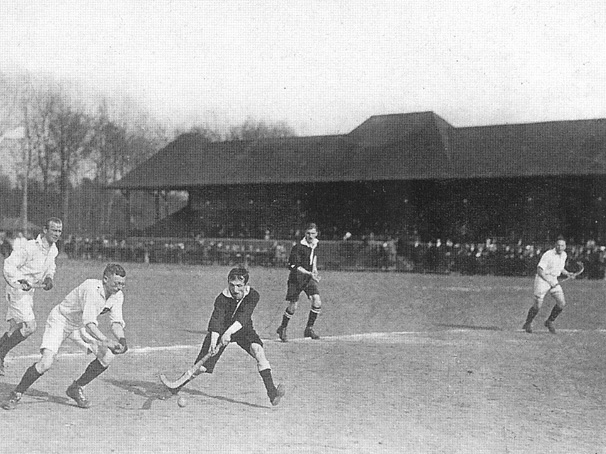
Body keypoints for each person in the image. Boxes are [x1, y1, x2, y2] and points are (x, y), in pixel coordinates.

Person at [1, 263, 128, 410]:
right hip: (61, 321)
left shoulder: (117, 296)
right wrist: (106, 341)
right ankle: (16, 394)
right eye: (116, 284)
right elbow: (90, 324)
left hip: (79, 326)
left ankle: (76, 388)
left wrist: (122, 340)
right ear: (105, 279)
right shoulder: (92, 289)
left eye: (122, 285)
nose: (119, 287)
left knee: (107, 356)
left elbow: (116, 322)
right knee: (45, 363)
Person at [172, 267, 285, 406]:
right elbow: (216, 321)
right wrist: (214, 342)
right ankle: (177, 386)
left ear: (246, 285)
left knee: (258, 351)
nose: (235, 289)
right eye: (232, 285)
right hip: (220, 332)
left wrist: (229, 333)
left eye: (239, 286)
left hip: (243, 329)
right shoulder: (222, 299)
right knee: (202, 367)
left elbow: (244, 317)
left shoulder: (253, 295)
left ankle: (272, 393)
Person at [0, 217, 63, 376]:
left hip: (29, 293)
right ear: (45, 230)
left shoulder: (53, 249)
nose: (57, 234)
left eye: (59, 231)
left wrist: (49, 277)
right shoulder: (29, 247)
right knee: (30, 327)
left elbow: (51, 267)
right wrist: (20, 282)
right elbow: (9, 265)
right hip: (17, 291)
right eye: (54, 230)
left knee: (14, 328)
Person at [276, 222, 322, 342]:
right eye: (308, 233)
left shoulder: (315, 244)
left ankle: (309, 328)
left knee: (317, 301)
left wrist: (315, 271)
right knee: (293, 306)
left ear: (316, 234)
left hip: (308, 278)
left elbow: (314, 258)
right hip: (296, 279)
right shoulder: (298, 247)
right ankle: (283, 327)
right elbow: (294, 266)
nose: (310, 236)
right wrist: (309, 273)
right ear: (304, 233)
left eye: (313, 233)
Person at [522, 237, 575, 334]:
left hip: (554, 279)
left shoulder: (564, 255)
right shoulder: (548, 255)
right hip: (542, 279)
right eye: (558, 245)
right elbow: (539, 270)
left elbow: (560, 268)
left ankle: (549, 321)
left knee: (561, 303)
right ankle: (528, 323)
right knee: (537, 306)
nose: (560, 247)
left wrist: (568, 273)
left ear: (565, 246)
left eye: (562, 245)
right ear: (555, 245)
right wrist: (548, 281)